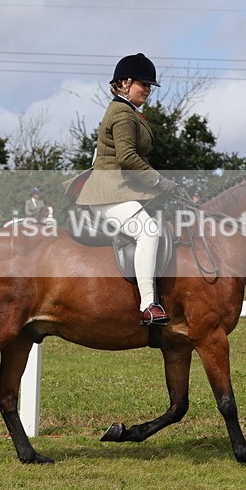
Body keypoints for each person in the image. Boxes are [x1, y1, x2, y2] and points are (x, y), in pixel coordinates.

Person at [65, 53, 176, 326]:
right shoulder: (122, 113)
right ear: (125, 83)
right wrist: (158, 181)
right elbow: (127, 157)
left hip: (121, 189)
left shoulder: (129, 112)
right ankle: (148, 305)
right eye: (143, 84)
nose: (148, 90)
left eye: (150, 86)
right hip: (109, 192)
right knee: (148, 232)